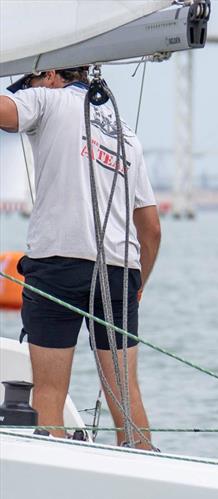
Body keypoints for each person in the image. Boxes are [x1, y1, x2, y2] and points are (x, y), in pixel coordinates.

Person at [0, 68, 161, 450]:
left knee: (50, 393)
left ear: (51, 75)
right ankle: (145, 488)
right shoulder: (127, 135)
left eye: (30, 83)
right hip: (121, 272)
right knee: (126, 394)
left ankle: (53, 493)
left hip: (59, 264)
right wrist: (137, 288)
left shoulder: (47, 98)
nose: (28, 91)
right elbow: (152, 229)